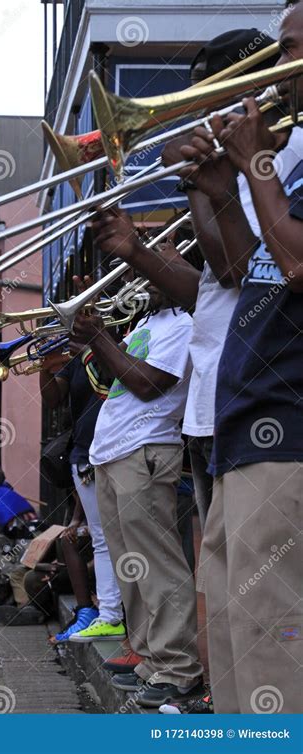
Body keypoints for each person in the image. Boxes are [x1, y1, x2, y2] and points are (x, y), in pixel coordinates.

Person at [90, 29, 280, 533]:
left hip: (250, 400)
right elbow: (213, 295)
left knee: (252, 588)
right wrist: (133, 250)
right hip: (211, 402)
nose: (196, 109)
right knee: (222, 585)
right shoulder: (236, 167)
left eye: (206, 92)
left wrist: (196, 177)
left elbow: (236, 269)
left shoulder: (269, 159)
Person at [176, 4, 303, 713]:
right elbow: (249, 268)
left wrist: (254, 162)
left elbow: (296, 264)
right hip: (246, 423)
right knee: (230, 626)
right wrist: (216, 184)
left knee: (271, 638)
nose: (279, 70)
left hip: (287, 423)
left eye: (288, 51)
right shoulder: (291, 158)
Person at [72, 284, 204, 708]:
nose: (137, 284)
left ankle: (179, 669)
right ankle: (150, 659)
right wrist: (97, 338)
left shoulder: (185, 325)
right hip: (113, 452)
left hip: (145, 450)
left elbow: (148, 384)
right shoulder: (146, 323)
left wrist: (98, 336)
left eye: (146, 274)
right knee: (131, 566)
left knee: (156, 562)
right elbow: (112, 379)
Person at [40, 343, 125, 643]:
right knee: (103, 540)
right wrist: (43, 366)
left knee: (121, 538)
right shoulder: (75, 359)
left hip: (118, 450)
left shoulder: (118, 344)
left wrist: (92, 345)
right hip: (84, 455)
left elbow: (111, 383)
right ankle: (103, 614)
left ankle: (115, 615)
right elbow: (53, 397)